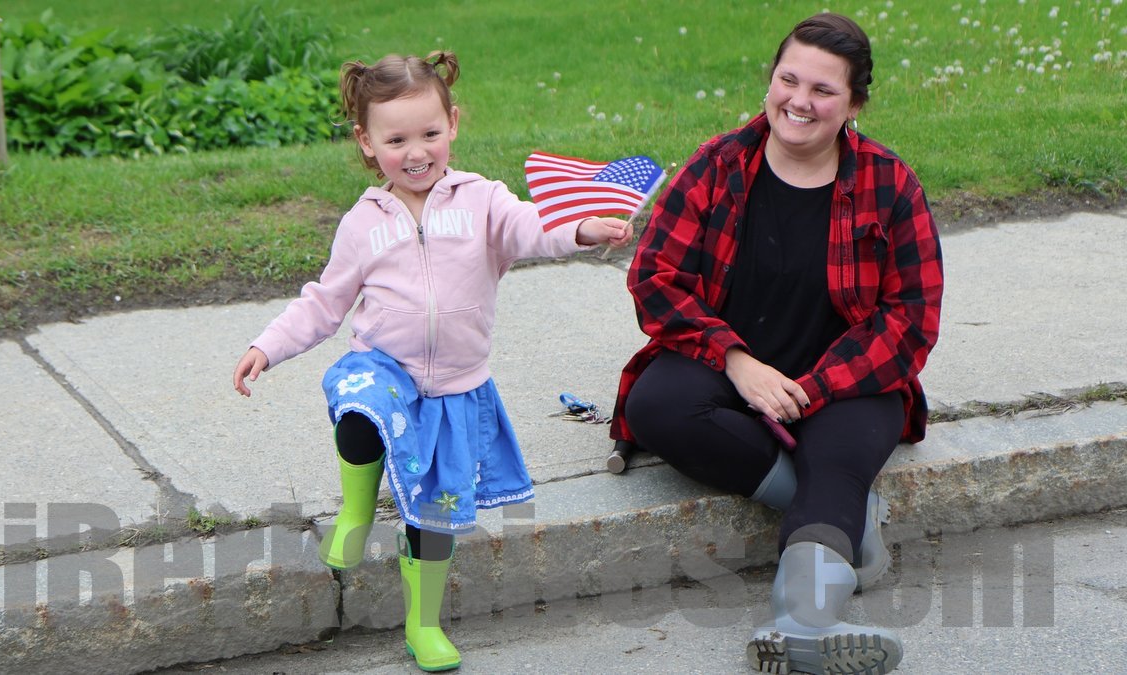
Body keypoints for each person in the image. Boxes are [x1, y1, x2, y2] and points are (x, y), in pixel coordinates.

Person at [232, 51, 631, 672]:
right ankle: (357, 510)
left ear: (453, 124)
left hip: (455, 392)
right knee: (360, 407)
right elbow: (324, 303)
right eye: (396, 140)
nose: (416, 152)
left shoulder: (482, 201)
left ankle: (423, 624)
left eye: (429, 133)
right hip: (384, 369)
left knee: (434, 518)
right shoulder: (362, 223)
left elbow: (533, 227)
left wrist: (582, 229)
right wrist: (268, 345)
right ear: (367, 142)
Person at [610, 13, 942, 675]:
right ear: (771, 80)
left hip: (848, 382)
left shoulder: (889, 184)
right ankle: (846, 514)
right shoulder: (719, 164)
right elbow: (654, 278)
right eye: (789, 80)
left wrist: (814, 390)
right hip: (734, 362)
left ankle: (804, 625)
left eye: (823, 89)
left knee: (836, 459)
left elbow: (910, 321)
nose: (799, 100)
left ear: (853, 104)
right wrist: (738, 363)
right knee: (656, 405)